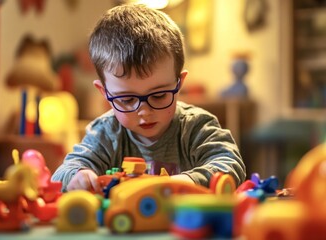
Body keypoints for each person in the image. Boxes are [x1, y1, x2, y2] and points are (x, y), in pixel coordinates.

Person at [51, 4, 246, 192]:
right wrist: (79, 176)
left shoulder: (196, 127)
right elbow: (62, 174)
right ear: (104, 93)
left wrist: (185, 182)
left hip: (187, 224)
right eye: (127, 100)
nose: (144, 111)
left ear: (179, 83)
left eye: (159, 95)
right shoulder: (105, 133)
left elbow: (230, 164)